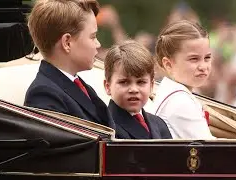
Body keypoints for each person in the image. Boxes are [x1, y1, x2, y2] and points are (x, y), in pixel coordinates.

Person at [24, 0, 115, 128]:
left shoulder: (78, 85)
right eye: (93, 37)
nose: (98, 44)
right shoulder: (44, 95)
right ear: (67, 42)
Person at [153, 20, 215, 139]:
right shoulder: (179, 102)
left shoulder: (173, 93)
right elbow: (212, 150)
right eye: (194, 59)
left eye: (207, 58)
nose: (203, 67)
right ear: (168, 64)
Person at [104, 40, 172, 139]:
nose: (134, 89)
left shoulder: (159, 124)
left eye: (141, 82)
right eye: (124, 82)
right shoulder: (106, 127)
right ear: (108, 86)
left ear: (151, 86)